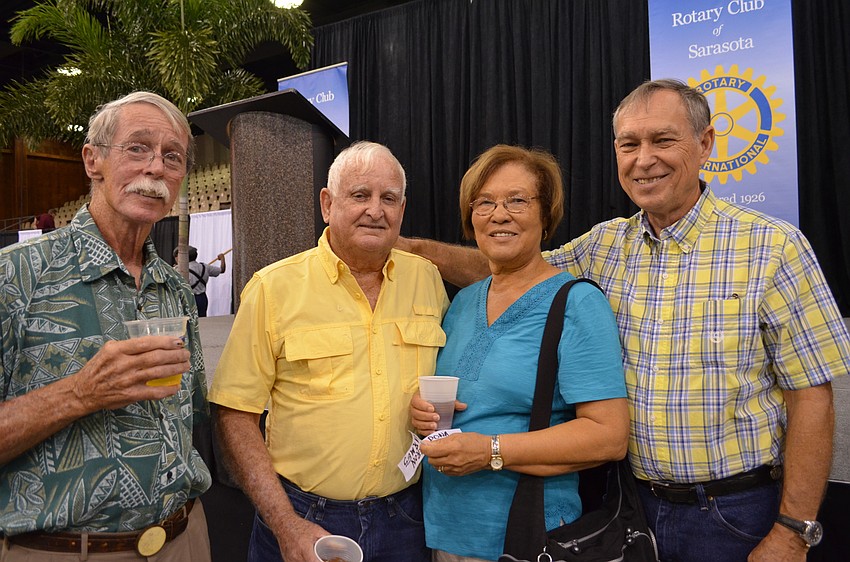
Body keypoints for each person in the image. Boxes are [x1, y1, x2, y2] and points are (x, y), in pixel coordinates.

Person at [399, 79, 850, 562]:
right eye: (629, 144)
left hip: (734, 513)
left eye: (662, 140)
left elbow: (812, 398)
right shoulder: (604, 247)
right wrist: (402, 248)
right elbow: (516, 263)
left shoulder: (772, 247)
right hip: (630, 509)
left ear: (704, 144)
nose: (643, 158)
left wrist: (793, 530)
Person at [209, 141, 449, 562]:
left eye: (388, 198)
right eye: (360, 195)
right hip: (303, 518)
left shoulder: (426, 279)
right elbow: (234, 414)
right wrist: (285, 524)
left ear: (402, 210)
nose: (376, 210)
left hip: (408, 519)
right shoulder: (274, 288)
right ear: (327, 203)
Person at [0, 91, 212, 561]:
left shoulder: (173, 290)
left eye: (172, 157)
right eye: (138, 148)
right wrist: (80, 393)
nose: (156, 167)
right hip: (63, 551)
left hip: (184, 540)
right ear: (92, 160)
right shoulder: (15, 276)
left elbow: (193, 419)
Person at [409, 145, 629, 562]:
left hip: (530, 539)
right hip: (444, 533)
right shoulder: (461, 302)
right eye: (485, 202)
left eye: (517, 201)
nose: (499, 214)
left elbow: (609, 436)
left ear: (546, 217)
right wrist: (419, 413)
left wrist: (490, 450)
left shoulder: (575, 303)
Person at [173, 245, 226, 316]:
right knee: (202, 321)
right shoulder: (205, 267)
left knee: (188, 322)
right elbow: (222, 270)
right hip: (202, 298)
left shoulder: (178, 269)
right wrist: (222, 258)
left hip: (187, 299)